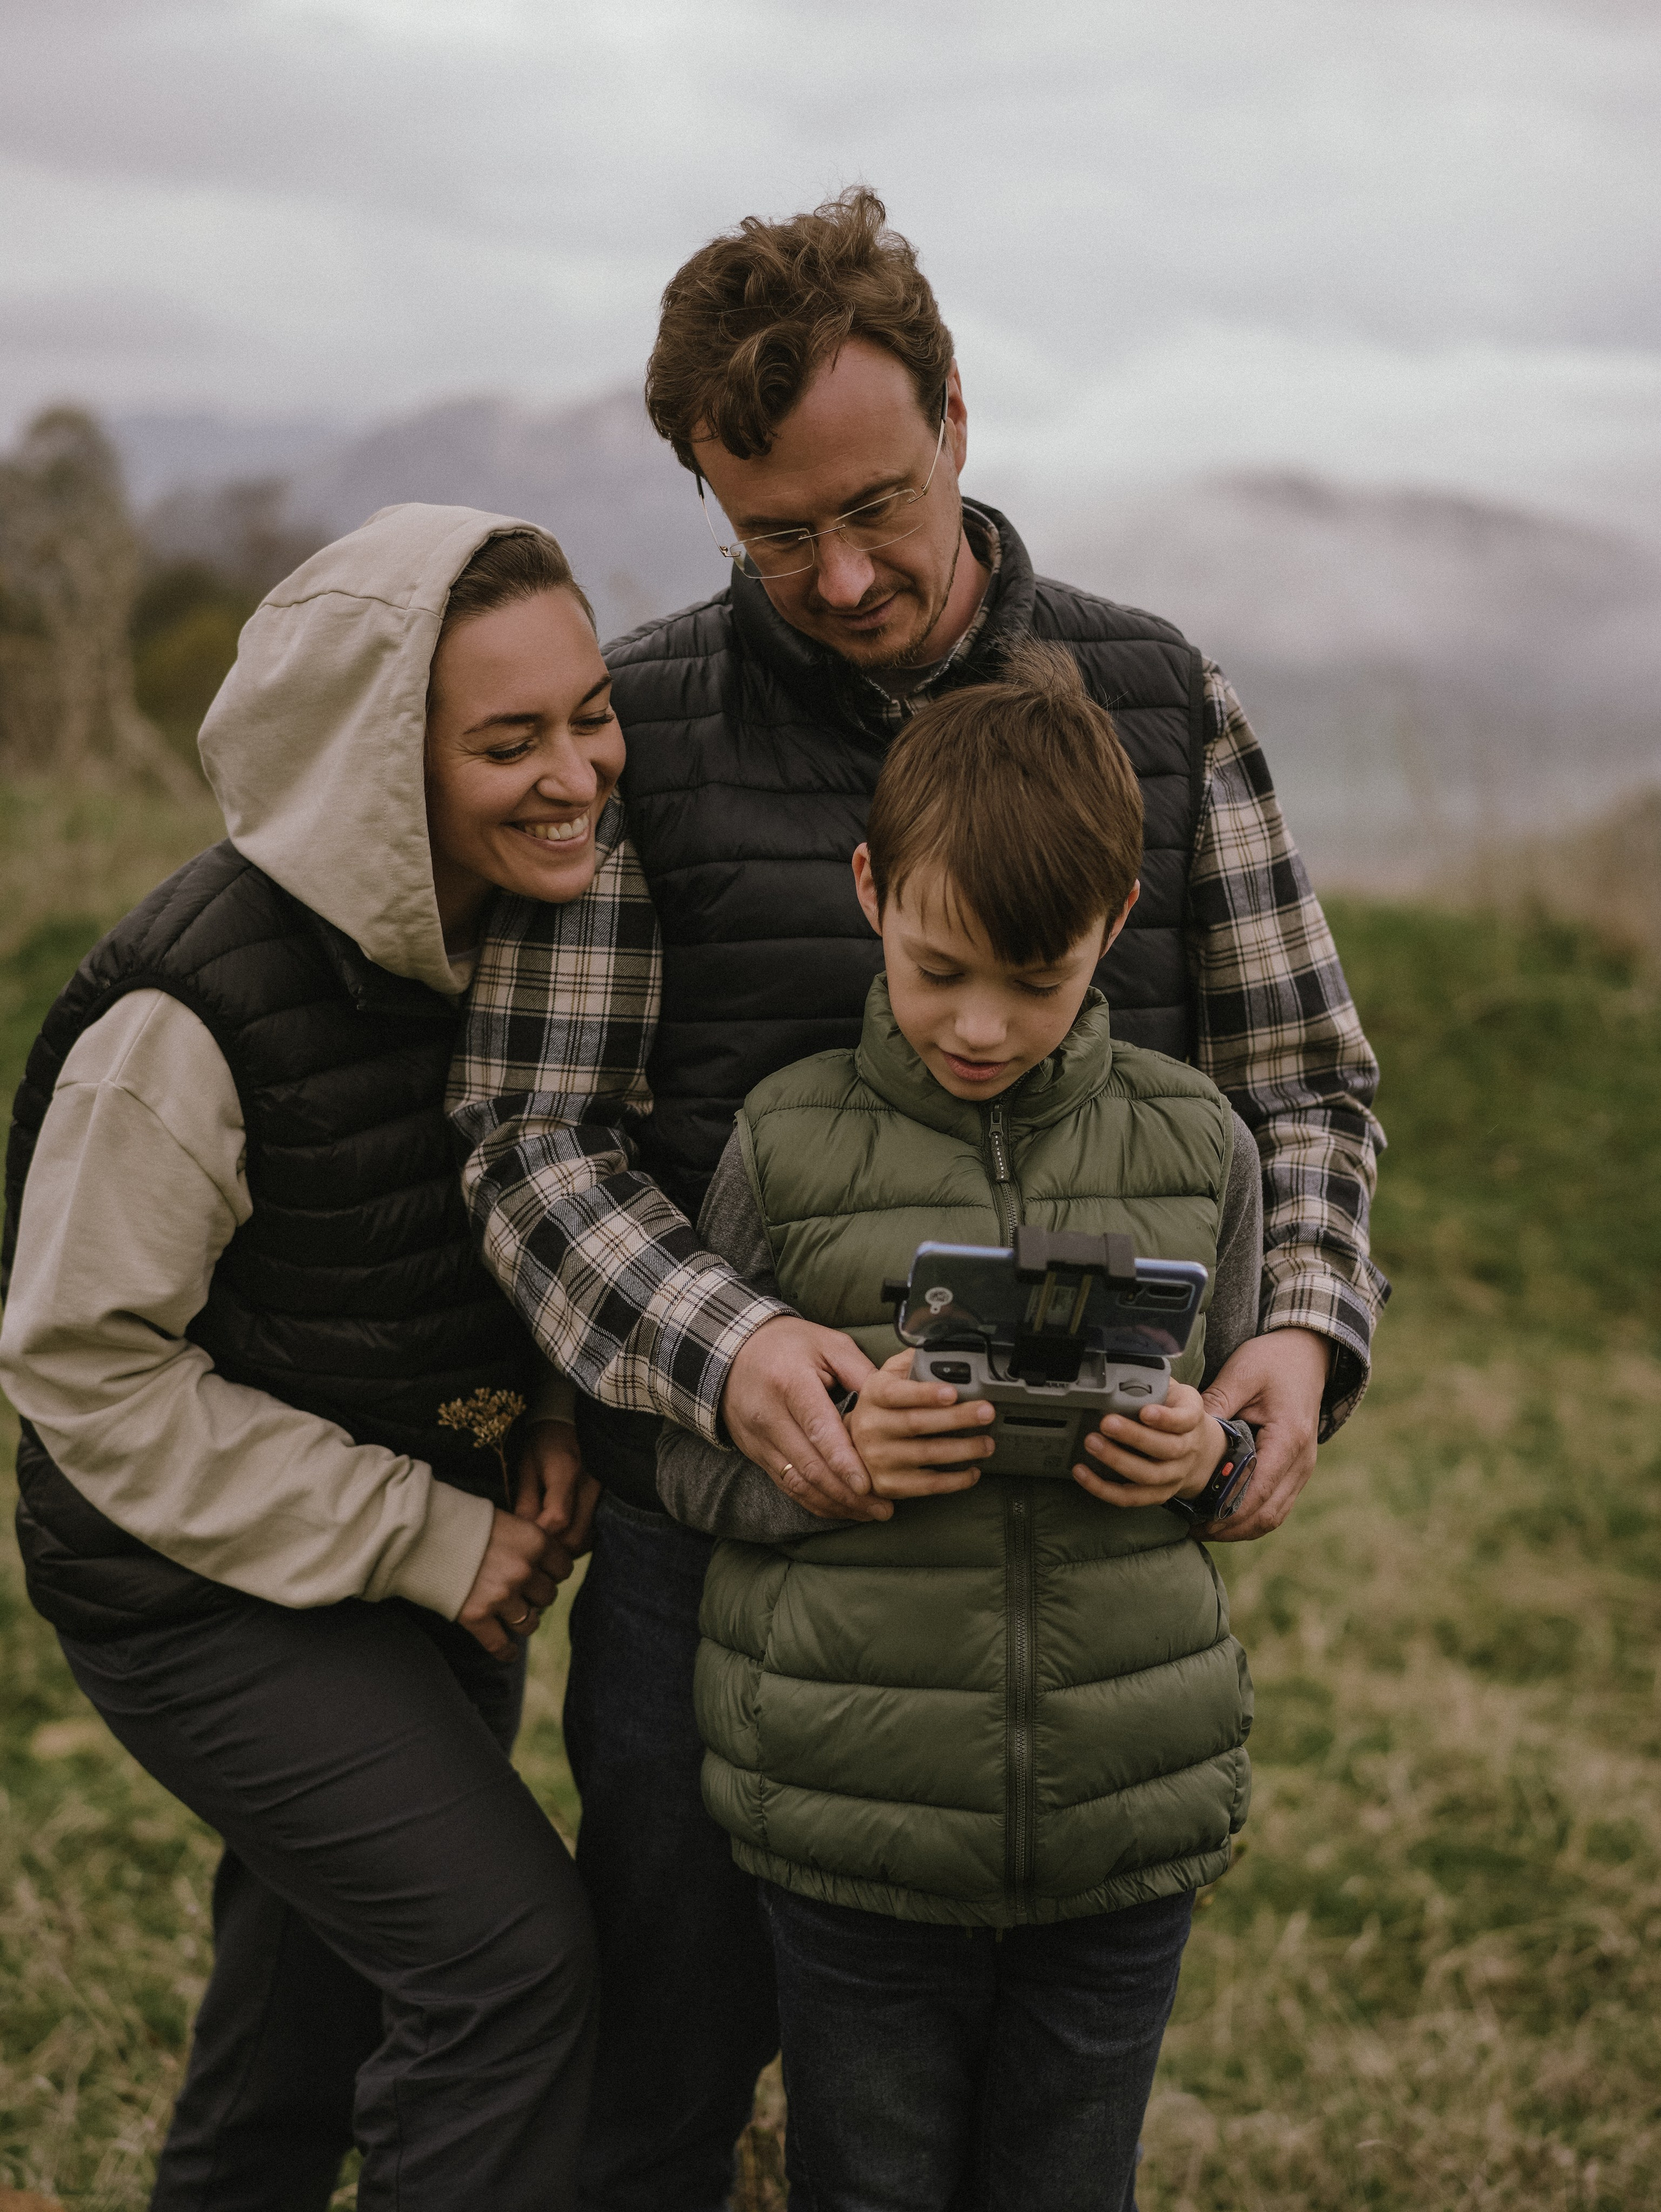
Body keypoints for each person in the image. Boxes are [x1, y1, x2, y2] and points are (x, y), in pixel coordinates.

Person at [450, 187, 1387, 2209]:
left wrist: (1299, 1330)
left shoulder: (1159, 704)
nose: (843, 573)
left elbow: (1303, 1076)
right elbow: (535, 1142)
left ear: (960, 412)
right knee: (664, 2093)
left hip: (1069, 1582)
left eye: (877, 503)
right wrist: (740, 1349)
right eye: (775, 534)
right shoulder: (651, 740)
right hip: (722, 1560)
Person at [0, 504, 618, 2211]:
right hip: (195, 1585)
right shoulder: (179, 1021)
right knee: (508, 1969)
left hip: (433, 1556)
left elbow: (536, 1203)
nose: (578, 773)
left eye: (589, 713)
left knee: (308, 2017)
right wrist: (434, 1536)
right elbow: (84, 1372)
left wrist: (552, 1408)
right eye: (511, 741)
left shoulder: (538, 933)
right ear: (375, 764)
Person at [663, 642, 1259, 2210]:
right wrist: (822, 1468)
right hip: (853, 1830)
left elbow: (1244, 1423)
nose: (982, 1026)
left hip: (1122, 1818)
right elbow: (675, 1454)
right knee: (868, 2185)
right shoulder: (781, 1142)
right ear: (869, 888)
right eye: (938, 971)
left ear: (1115, 929)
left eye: (1037, 979)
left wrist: (1209, 1459)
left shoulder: (1200, 1142)